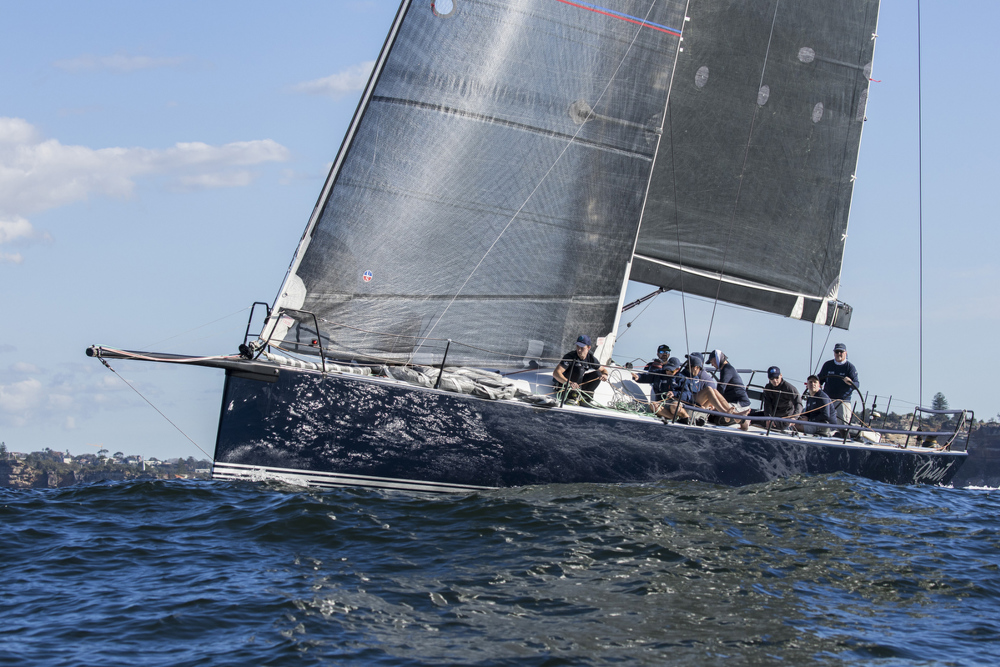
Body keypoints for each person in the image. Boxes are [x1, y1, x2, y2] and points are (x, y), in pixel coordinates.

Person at [552, 334, 609, 404]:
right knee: (579, 369)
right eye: (577, 347)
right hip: (567, 386)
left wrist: (605, 375)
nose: (579, 350)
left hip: (578, 385)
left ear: (589, 348)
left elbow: (603, 370)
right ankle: (571, 396)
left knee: (598, 374)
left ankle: (585, 397)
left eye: (582, 348)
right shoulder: (570, 356)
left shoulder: (590, 358)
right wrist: (569, 383)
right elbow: (556, 373)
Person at [817, 343, 860, 430]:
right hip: (827, 399)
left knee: (843, 424)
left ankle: (843, 436)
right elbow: (819, 379)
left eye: (841, 352)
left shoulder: (850, 367)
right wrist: (813, 383)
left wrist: (850, 382)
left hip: (843, 401)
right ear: (834, 353)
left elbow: (857, 384)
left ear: (845, 353)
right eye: (837, 352)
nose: (839, 354)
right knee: (823, 421)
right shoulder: (828, 365)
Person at [707, 349, 752, 429]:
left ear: (717, 358)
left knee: (719, 420)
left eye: (711, 361)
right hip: (731, 403)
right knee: (711, 418)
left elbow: (720, 389)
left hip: (740, 403)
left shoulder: (727, 369)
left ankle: (744, 420)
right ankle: (738, 417)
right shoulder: (725, 369)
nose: (712, 365)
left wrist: (713, 404)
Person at [753, 366, 802, 431]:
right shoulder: (768, 387)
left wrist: (794, 417)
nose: (775, 380)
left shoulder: (789, 388)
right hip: (773, 415)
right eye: (772, 378)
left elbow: (799, 403)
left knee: (776, 425)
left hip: (785, 417)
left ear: (781, 375)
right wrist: (768, 417)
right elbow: (767, 404)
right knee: (749, 418)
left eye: (777, 378)